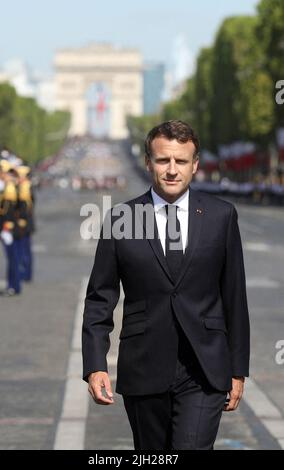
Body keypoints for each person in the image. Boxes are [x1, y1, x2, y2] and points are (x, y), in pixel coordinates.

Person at [82, 120, 250, 450]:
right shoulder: (120, 219)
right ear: (149, 163)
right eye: (163, 160)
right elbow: (100, 298)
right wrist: (95, 365)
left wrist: (238, 370)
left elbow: (235, 298)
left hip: (205, 370)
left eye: (181, 161)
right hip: (144, 367)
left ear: (195, 165)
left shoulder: (222, 216)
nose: (172, 170)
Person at [0, 160, 21, 296]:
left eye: (2, 172)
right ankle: (15, 285)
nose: (1, 174)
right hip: (9, 229)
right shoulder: (8, 186)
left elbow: (9, 211)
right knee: (12, 258)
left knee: (12, 258)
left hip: (8, 230)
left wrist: (6, 229)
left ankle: (12, 286)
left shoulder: (9, 188)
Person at [16, 165, 35, 282]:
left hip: (24, 224)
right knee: (25, 250)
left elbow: (24, 208)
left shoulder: (24, 187)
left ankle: (25, 274)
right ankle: (27, 273)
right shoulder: (27, 186)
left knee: (23, 250)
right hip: (27, 223)